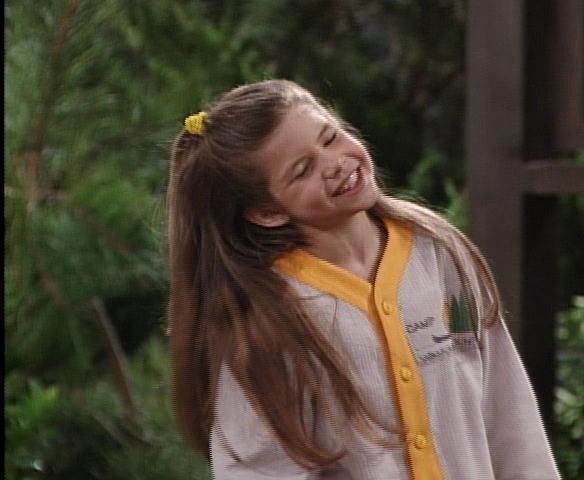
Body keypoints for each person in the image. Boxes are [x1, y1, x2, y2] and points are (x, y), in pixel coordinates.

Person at [167, 79, 560, 479]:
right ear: (267, 212)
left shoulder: (439, 250)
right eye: (303, 170)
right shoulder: (270, 319)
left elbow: (509, 413)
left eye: (330, 137)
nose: (335, 162)